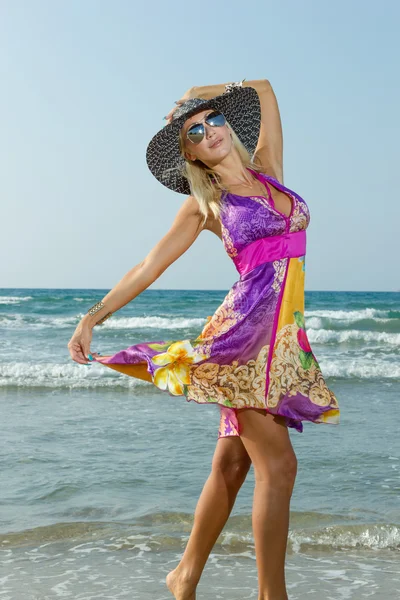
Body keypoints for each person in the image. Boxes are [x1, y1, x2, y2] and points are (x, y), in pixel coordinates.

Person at [68, 79, 340, 600]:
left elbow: (264, 89)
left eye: (214, 119)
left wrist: (204, 91)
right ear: (189, 152)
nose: (209, 131)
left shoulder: (269, 171)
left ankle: (184, 576)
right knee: (279, 466)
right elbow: (149, 266)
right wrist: (92, 317)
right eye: (195, 130)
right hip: (242, 344)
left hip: (282, 347)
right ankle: (271, 595)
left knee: (233, 463)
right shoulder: (207, 204)